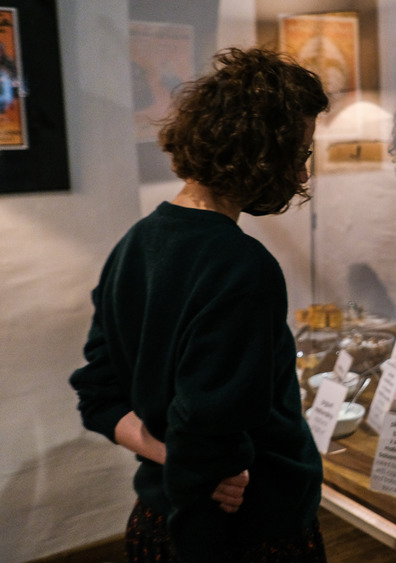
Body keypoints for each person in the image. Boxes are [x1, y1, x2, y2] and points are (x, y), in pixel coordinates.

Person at [69, 48, 329, 562]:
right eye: (298, 155)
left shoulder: (135, 244)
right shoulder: (241, 266)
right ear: (260, 150)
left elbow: (99, 397)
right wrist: (202, 472)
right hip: (237, 533)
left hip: (154, 518)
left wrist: (181, 461)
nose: (302, 177)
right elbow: (208, 434)